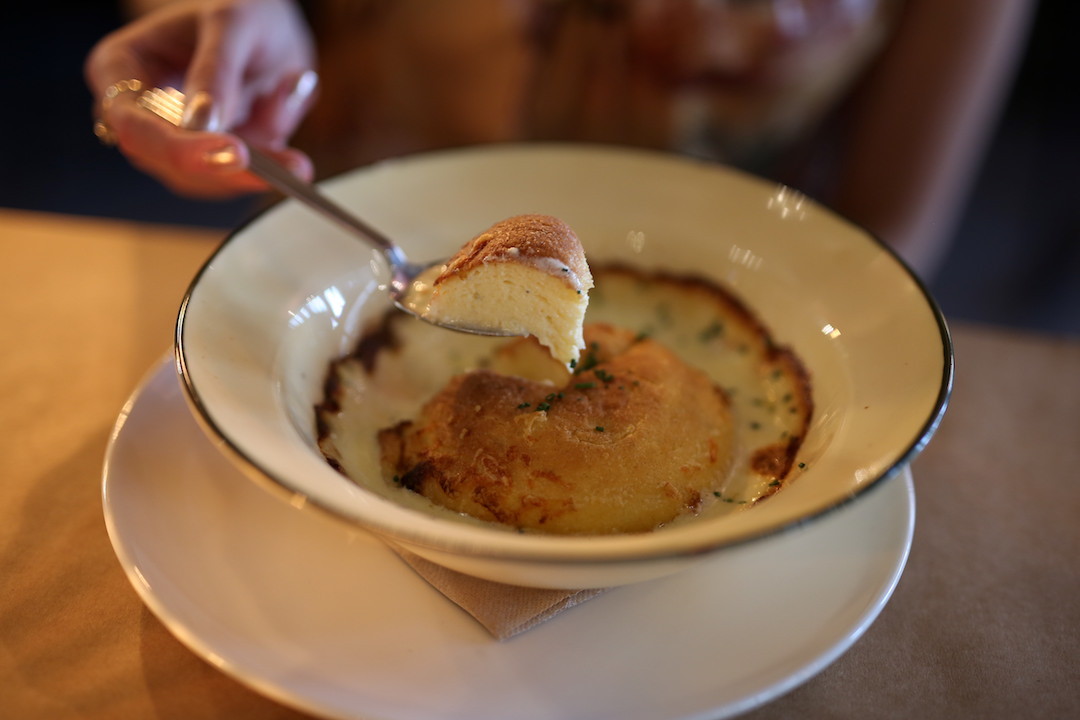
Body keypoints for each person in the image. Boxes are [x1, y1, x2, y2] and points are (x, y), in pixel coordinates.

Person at [84, 0, 1033, 278]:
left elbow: (890, 224)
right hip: (337, 264)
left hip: (715, 299)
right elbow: (197, 19)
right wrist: (207, 44)